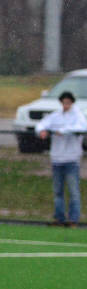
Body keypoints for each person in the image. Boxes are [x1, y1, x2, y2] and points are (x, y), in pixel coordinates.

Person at [36, 91, 87, 228]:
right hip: (57, 159)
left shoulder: (78, 116)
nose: (66, 105)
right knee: (58, 192)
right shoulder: (55, 116)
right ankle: (59, 218)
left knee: (73, 191)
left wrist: (63, 130)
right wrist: (42, 131)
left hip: (71, 159)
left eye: (68, 103)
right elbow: (41, 124)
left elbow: (83, 127)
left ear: (72, 103)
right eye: (64, 102)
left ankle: (73, 220)